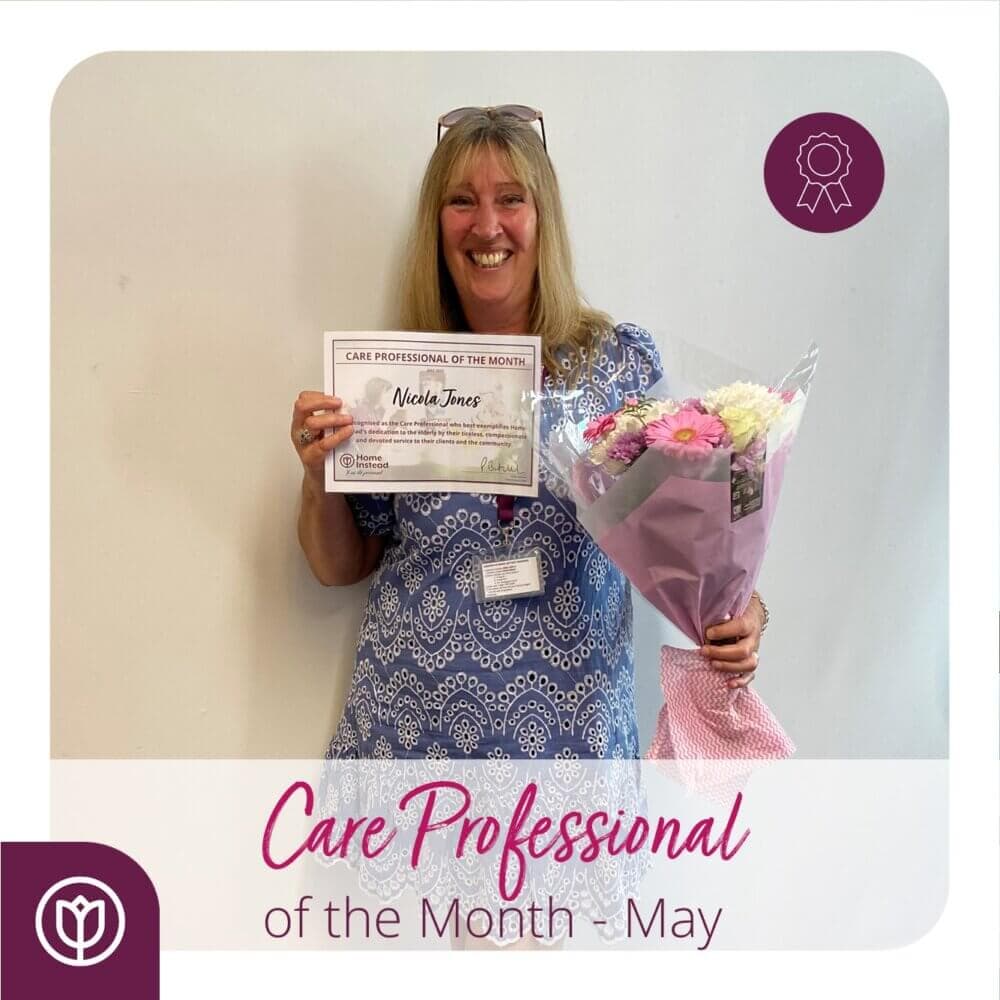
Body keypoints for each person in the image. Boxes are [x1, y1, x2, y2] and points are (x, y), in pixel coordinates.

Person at [291, 106, 765, 760]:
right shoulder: (392, 378)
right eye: (462, 201)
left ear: (544, 219)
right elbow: (341, 566)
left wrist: (743, 610)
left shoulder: (617, 363)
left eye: (511, 199)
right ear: (436, 225)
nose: (487, 225)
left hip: (573, 750)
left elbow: (695, 530)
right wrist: (319, 476)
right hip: (408, 743)